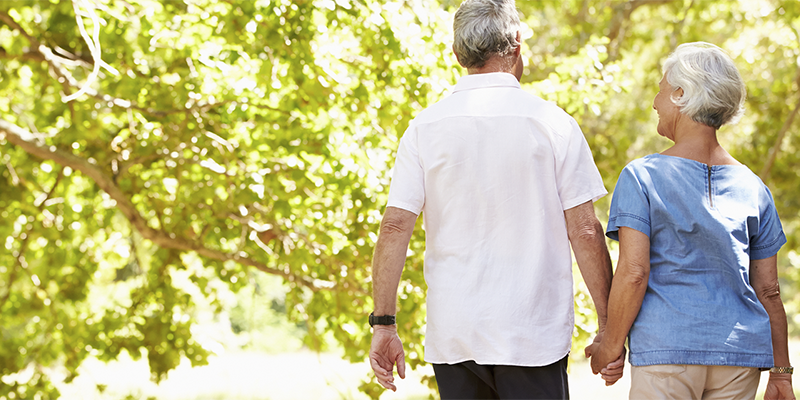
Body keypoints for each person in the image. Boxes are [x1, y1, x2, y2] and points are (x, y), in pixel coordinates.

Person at [368, 0, 622, 398]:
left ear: (457, 55)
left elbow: (395, 225)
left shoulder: (424, 127)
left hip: (456, 334)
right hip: (531, 333)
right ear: (518, 43)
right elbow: (586, 229)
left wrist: (384, 323)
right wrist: (609, 325)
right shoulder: (553, 123)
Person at [586, 42, 796, 400]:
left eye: (661, 89)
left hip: (667, 354)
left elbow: (634, 273)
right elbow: (769, 291)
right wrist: (781, 374)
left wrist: (610, 346)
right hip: (739, 359)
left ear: (681, 94)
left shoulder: (642, 176)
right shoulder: (753, 187)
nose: (655, 101)